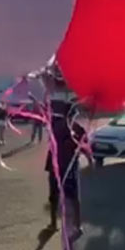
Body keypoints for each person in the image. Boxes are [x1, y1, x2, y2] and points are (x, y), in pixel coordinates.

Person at [45, 100, 89, 242]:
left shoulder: (77, 129)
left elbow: (84, 146)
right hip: (57, 166)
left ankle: (75, 224)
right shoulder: (56, 126)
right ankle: (56, 223)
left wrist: (81, 148)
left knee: (71, 197)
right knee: (57, 196)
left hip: (66, 167)